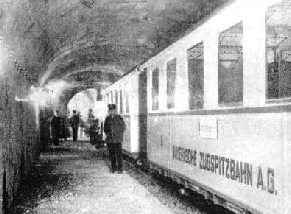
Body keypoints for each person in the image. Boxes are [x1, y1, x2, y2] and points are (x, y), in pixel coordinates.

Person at [104, 104, 126, 174]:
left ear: (115, 111)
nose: (112, 112)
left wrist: (118, 134)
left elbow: (123, 127)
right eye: (110, 111)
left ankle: (120, 169)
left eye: (113, 110)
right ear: (109, 111)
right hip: (110, 140)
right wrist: (109, 133)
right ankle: (113, 168)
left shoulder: (119, 118)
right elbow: (105, 129)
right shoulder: (107, 119)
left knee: (119, 154)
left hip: (117, 140)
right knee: (112, 155)